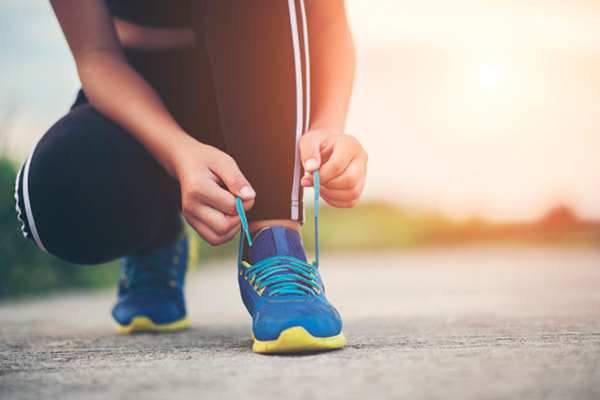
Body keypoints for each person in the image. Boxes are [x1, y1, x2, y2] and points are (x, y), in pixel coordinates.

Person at [15, 0, 367, 354]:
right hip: (138, 89)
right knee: (55, 192)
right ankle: (156, 238)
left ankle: (275, 244)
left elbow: (327, 23)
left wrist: (327, 127)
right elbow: (96, 54)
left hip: (259, 82)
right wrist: (177, 151)